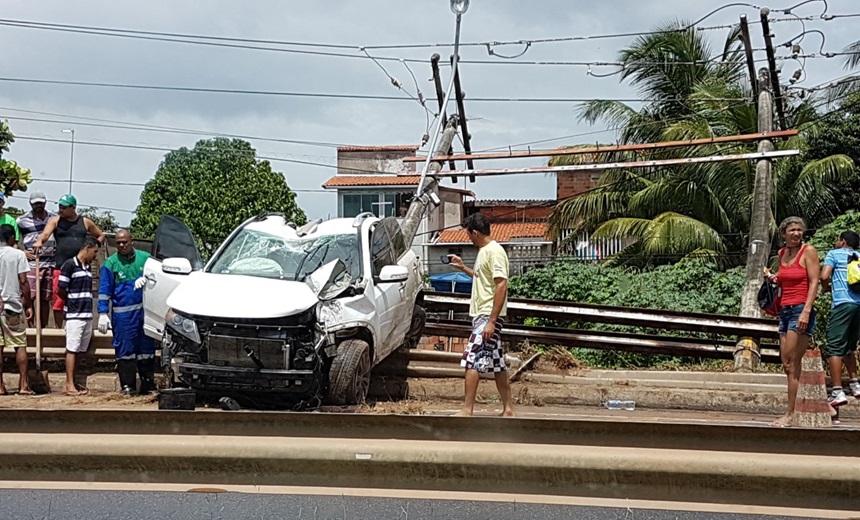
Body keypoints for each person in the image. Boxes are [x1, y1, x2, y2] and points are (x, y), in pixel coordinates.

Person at [447, 213, 516, 417]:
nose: (468, 238)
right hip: (483, 316)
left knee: (471, 360)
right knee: (497, 362)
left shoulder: (494, 251)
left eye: (468, 234)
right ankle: (508, 409)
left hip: (488, 316)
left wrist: (492, 321)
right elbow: (481, 278)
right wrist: (464, 268)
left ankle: (467, 410)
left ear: (475, 232)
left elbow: (501, 284)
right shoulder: (484, 252)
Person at [765, 216, 820, 427]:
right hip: (784, 310)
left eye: (799, 230)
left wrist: (806, 311)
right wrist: (774, 278)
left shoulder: (809, 251)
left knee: (792, 362)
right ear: (783, 234)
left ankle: (790, 414)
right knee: (787, 364)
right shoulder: (782, 253)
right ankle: (819, 404)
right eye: (792, 230)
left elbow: (814, 282)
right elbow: (786, 277)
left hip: (800, 309)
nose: (796, 233)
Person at [33, 194, 105, 328]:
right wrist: (39, 241)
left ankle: (78, 327)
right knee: (58, 301)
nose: (61, 209)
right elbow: (45, 234)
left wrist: (95, 247)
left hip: (80, 267)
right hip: (61, 267)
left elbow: (100, 235)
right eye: (60, 206)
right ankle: (59, 330)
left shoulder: (85, 222)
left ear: (73, 207)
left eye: (64, 207)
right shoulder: (55, 221)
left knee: (80, 298)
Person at [98, 229, 156, 395]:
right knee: (125, 351)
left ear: (132, 241)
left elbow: (159, 277)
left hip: (145, 315)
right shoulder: (111, 264)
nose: (122, 245)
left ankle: (147, 385)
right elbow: (104, 291)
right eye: (118, 243)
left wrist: (148, 278)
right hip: (123, 317)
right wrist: (102, 313)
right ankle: (128, 386)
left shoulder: (145, 259)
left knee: (147, 350)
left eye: (125, 242)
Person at [819, 230, 860, 406]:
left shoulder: (834, 254)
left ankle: (837, 391)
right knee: (849, 346)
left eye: (838, 239)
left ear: (843, 241)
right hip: (859, 305)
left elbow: (824, 275)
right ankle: (855, 384)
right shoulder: (859, 256)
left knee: (834, 347)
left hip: (842, 304)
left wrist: (826, 287)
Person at [57, 237, 100, 395]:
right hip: (75, 315)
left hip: (87, 314)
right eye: (94, 252)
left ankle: (72, 382)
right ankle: (69, 384)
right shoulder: (69, 265)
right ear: (87, 248)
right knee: (72, 349)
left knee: (80, 349)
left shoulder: (88, 267)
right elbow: (60, 289)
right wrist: (71, 302)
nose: (95, 256)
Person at [0, 223, 33, 395]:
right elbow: (24, 282)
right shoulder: (18, 255)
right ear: (12, 238)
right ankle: (23, 385)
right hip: (13, 306)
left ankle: (0, 386)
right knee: (19, 345)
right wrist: (28, 303)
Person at [16, 191, 57, 328]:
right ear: (30, 204)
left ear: (45, 202)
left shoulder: (54, 218)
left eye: (40, 203)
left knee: (45, 298)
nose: (38, 206)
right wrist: (22, 252)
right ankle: (31, 327)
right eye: (35, 203)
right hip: (32, 263)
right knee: (29, 297)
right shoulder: (21, 221)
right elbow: (14, 240)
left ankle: (42, 328)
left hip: (50, 263)